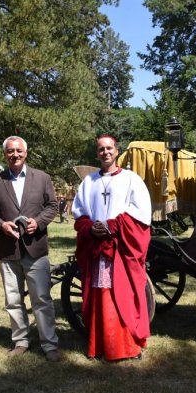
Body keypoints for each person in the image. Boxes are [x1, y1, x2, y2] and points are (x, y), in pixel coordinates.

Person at [0, 136, 61, 362]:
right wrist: (0, 224)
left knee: (42, 299)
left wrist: (40, 222)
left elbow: (52, 206)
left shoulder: (42, 178)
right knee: (13, 299)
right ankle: (21, 341)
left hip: (36, 249)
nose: (14, 154)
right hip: (8, 250)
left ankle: (49, 343)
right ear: (5, 154)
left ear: (26, 153)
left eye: (18, 150)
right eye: (10, 151)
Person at [72, 134, 152, 361]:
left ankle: (127, 346)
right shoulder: (89, 182)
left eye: (109, 148)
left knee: (122, 296)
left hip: (120, 249)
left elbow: (140, 214)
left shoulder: (131, 179)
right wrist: (90, 228)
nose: (105, 152)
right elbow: (79, 214)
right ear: (96, 154)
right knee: (101, 295)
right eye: (100, 149)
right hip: (98, 250)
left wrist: (112, 226)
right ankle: (100, 345)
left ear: (117, 151)